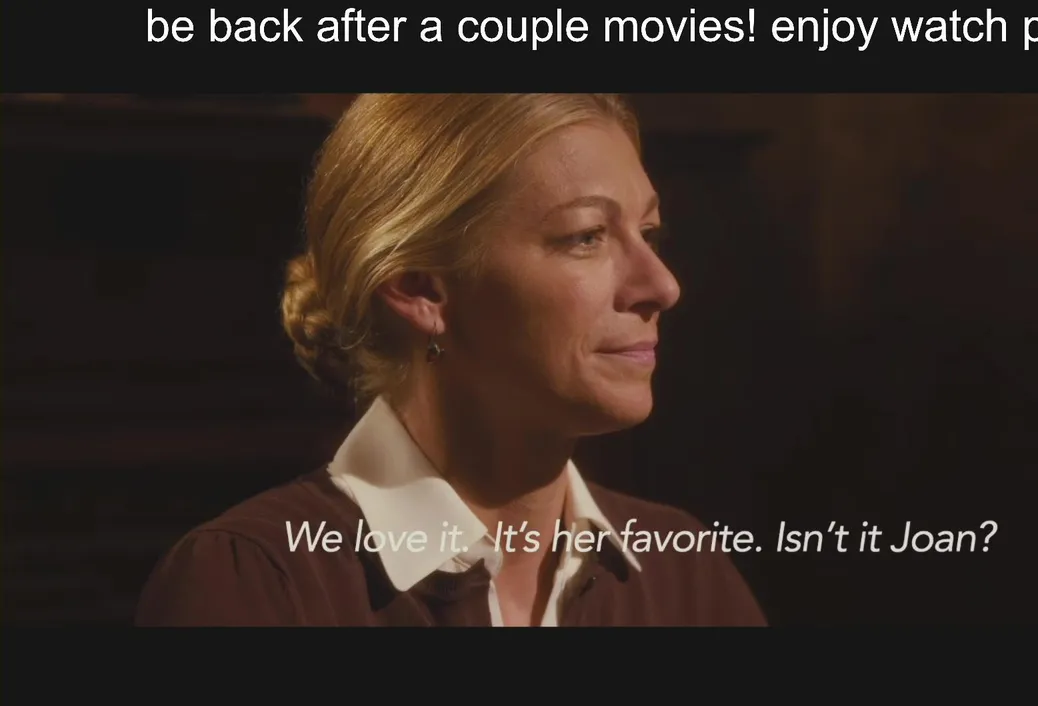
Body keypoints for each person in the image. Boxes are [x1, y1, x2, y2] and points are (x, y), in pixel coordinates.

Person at [135, 94, 766, 626]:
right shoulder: (256, 585)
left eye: (648, 233)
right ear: (420, 288)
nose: (662, 285)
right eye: (586, 237)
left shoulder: (684, 572)